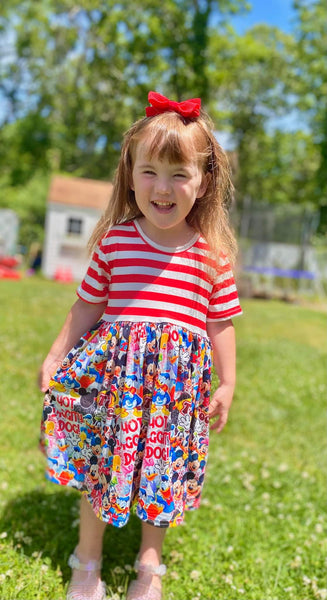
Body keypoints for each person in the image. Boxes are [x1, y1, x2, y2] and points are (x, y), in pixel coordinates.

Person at [39, 91, 242, 600]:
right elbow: (86, 307)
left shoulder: (211, 258)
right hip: (116, 386)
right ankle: (87, 559)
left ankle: (149, 563)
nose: (163, 187)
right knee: (102, 467)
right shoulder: (116, 242)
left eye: (180, 174)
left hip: (174, 394)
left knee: (161, 474)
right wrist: (55, 355)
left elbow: (220, 324)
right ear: (130, 173)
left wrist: (229, 381)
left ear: (205, 181)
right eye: (150, 171)